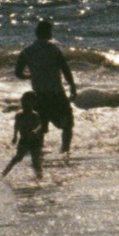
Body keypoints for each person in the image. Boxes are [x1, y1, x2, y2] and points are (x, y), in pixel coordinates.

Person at [15, 19, 78, 154]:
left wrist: (31, 76)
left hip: (39, 94)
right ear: (49, 33)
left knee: (41, 127)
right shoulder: (54, 49)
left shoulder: (27, 51)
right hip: (56, 93)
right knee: (67, 124)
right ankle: (65, 151)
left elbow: (18, 73)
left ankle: (38, 152)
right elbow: (65, 69)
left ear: (36, 33)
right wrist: (72, 86)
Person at [4, 92, 48, 179]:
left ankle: (39, 176)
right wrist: (15, 136)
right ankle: (5, 172)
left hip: (35, 141)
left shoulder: (35, 115)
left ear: (33, 103)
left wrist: (35, 131)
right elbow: (16, 126)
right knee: (18, 157)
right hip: (23, 140)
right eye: (23, 102)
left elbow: (40, 126)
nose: (25, 105)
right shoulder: (19, 115)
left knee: (35, 160)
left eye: (28, 103)